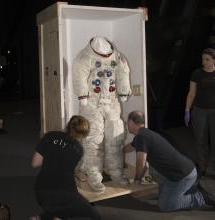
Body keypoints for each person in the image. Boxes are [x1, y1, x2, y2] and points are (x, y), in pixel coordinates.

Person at [123, 111, 215, 212]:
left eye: (127, 122)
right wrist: (115, 151)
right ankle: (190, 188)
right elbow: (129, 148)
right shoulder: (143, 135)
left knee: (166, 206)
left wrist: (137, 179)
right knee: (163, 198)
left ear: (131, 122)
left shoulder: (142, 137)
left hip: (183, 175)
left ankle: (199, 198)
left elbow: (141, 162)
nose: (127, 125)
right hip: (174, 175)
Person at [72, 36, 131, 192]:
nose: (105, 57)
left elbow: (123, 71)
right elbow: (79, 74)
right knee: (93, 140)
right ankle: (94, 176)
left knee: (115, 137)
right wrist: (82, 95)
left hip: (112, 102)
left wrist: (123, 90)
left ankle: (116, 172)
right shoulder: (85, 57)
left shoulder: (116, 55)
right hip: (92, 103)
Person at [30, 115, 100, 220]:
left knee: (61, 210)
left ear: (68, 125)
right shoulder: (78, 149)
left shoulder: (50, 136)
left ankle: (43, 217)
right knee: (94, 215)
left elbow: (34, 163)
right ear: (83, 135)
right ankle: (47, 217)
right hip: (65, 196)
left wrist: (50, 155)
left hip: (41, 192)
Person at [184, 48, 215, 177]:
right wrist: (187, 110)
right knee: (200, 139)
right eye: (203, 59)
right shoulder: (197, 73)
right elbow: (191, 93)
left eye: (207, 59)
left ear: (214, 60)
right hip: (199, 111)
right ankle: (201, 165)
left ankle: (212, 166)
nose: (204, 62)